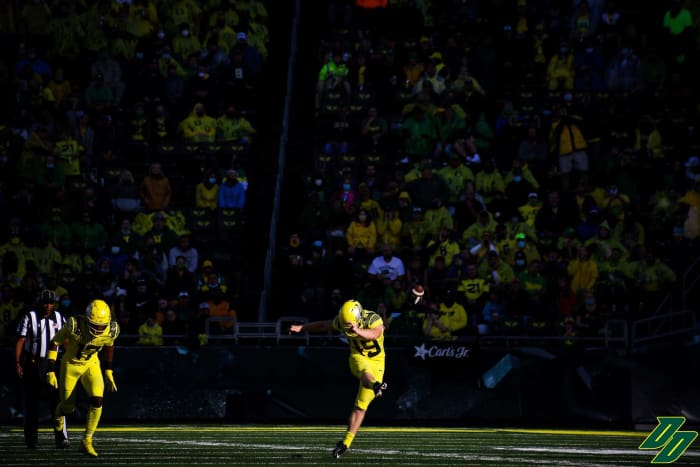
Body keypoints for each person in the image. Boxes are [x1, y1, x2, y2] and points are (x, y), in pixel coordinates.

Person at [289, 299, 387, 459]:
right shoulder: (344, 321)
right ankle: (376, 385)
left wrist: (358, 331)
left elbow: (376, 333)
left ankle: (345, 443)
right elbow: (324, 325)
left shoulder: (372, 318)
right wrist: (302, 328)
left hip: (377, 361)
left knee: (361, 406)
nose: (346, 327)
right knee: (364, 372)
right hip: (358, 357)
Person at [46, 299, 119, 457]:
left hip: (91, 364)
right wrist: (50, 369)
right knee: (68, 408)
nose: (99, 329)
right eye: (96, 325)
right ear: (87, 319)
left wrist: (108, 370)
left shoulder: (112, 329)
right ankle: (59, 415)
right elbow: (55, 342)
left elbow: (109, 345)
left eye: (102, 325)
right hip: (71, 364)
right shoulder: (74, 325)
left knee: (98, 400)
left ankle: (87, 440)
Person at [15, 290, 68, 449]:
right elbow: (20, 341)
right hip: (33, 363)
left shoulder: (60, 318)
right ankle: (31, 440)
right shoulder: (29, 316)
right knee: (31, 403)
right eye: (45, 302)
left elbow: (66, 341)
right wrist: (17, 362)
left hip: (53, 363)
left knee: (58, 403)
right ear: (39, 303)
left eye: (51, 303)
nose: (48, 306)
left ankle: (61, 438)